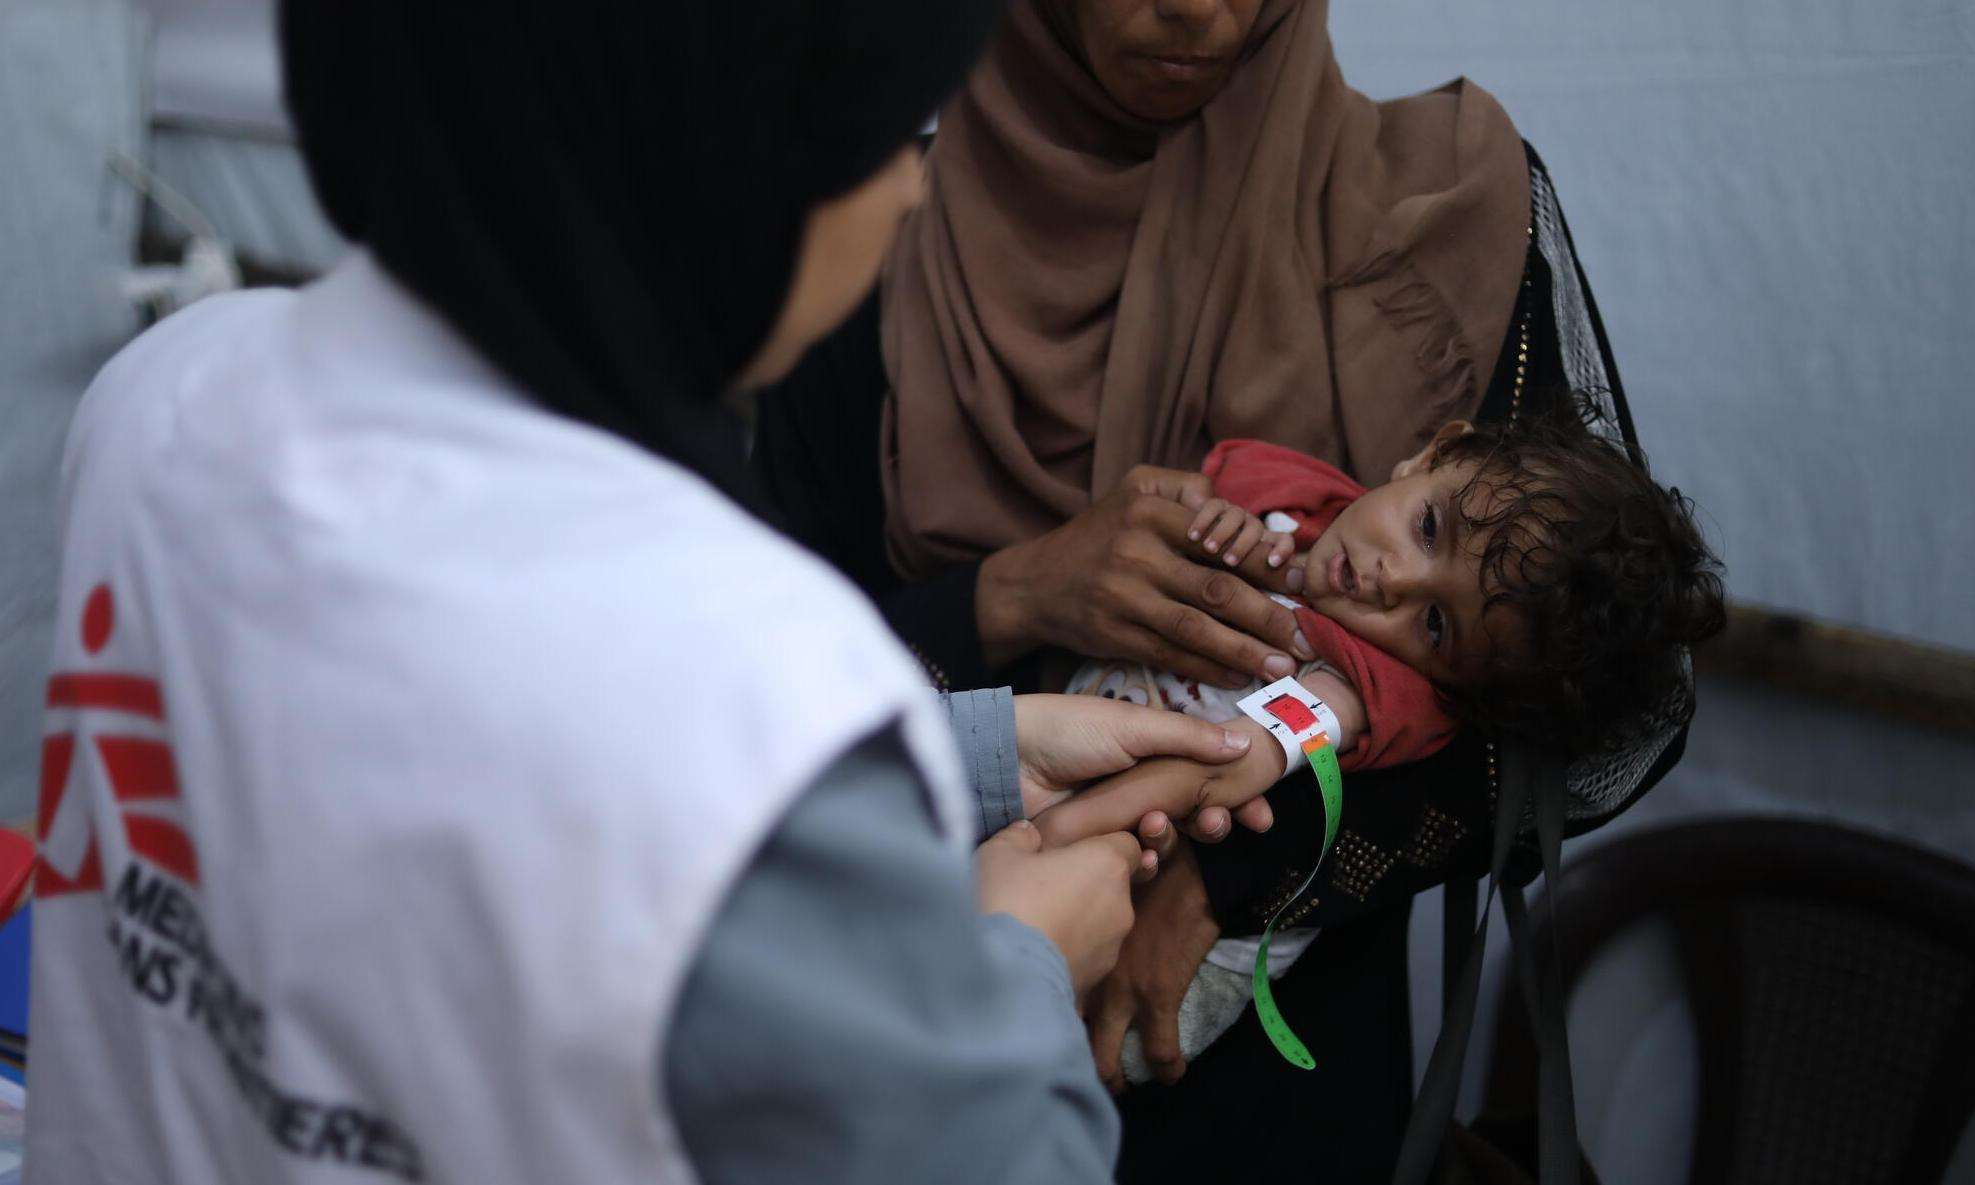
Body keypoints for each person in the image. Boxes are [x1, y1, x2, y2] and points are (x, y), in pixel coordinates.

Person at [24, 3, 1282, 1183]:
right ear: (713, 158)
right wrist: (1011, 959)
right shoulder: (751, 678)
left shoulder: (168, 396)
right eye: (889, 136)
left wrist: (986, 753)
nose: (913, 189)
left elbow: (446, 772)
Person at [749, 0, 1638, 1178]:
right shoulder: (866, 227)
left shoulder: (1454, 211)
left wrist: (1239, 879)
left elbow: (1614, 704)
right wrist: (1011, 596)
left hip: (1269, 1093)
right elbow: (743, 695)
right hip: (912, 1044)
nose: (1199, 12)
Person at [1029, 412, 1724, 1077]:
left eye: (1433, 625)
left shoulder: (1372, 687)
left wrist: (1044, 833)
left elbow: (1235, 758)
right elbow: (1193, 493)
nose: (1392, 579)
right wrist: (1208, 517)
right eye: (1427, 527)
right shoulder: (1301, 499)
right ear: (1436, 454)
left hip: (1141, 895)